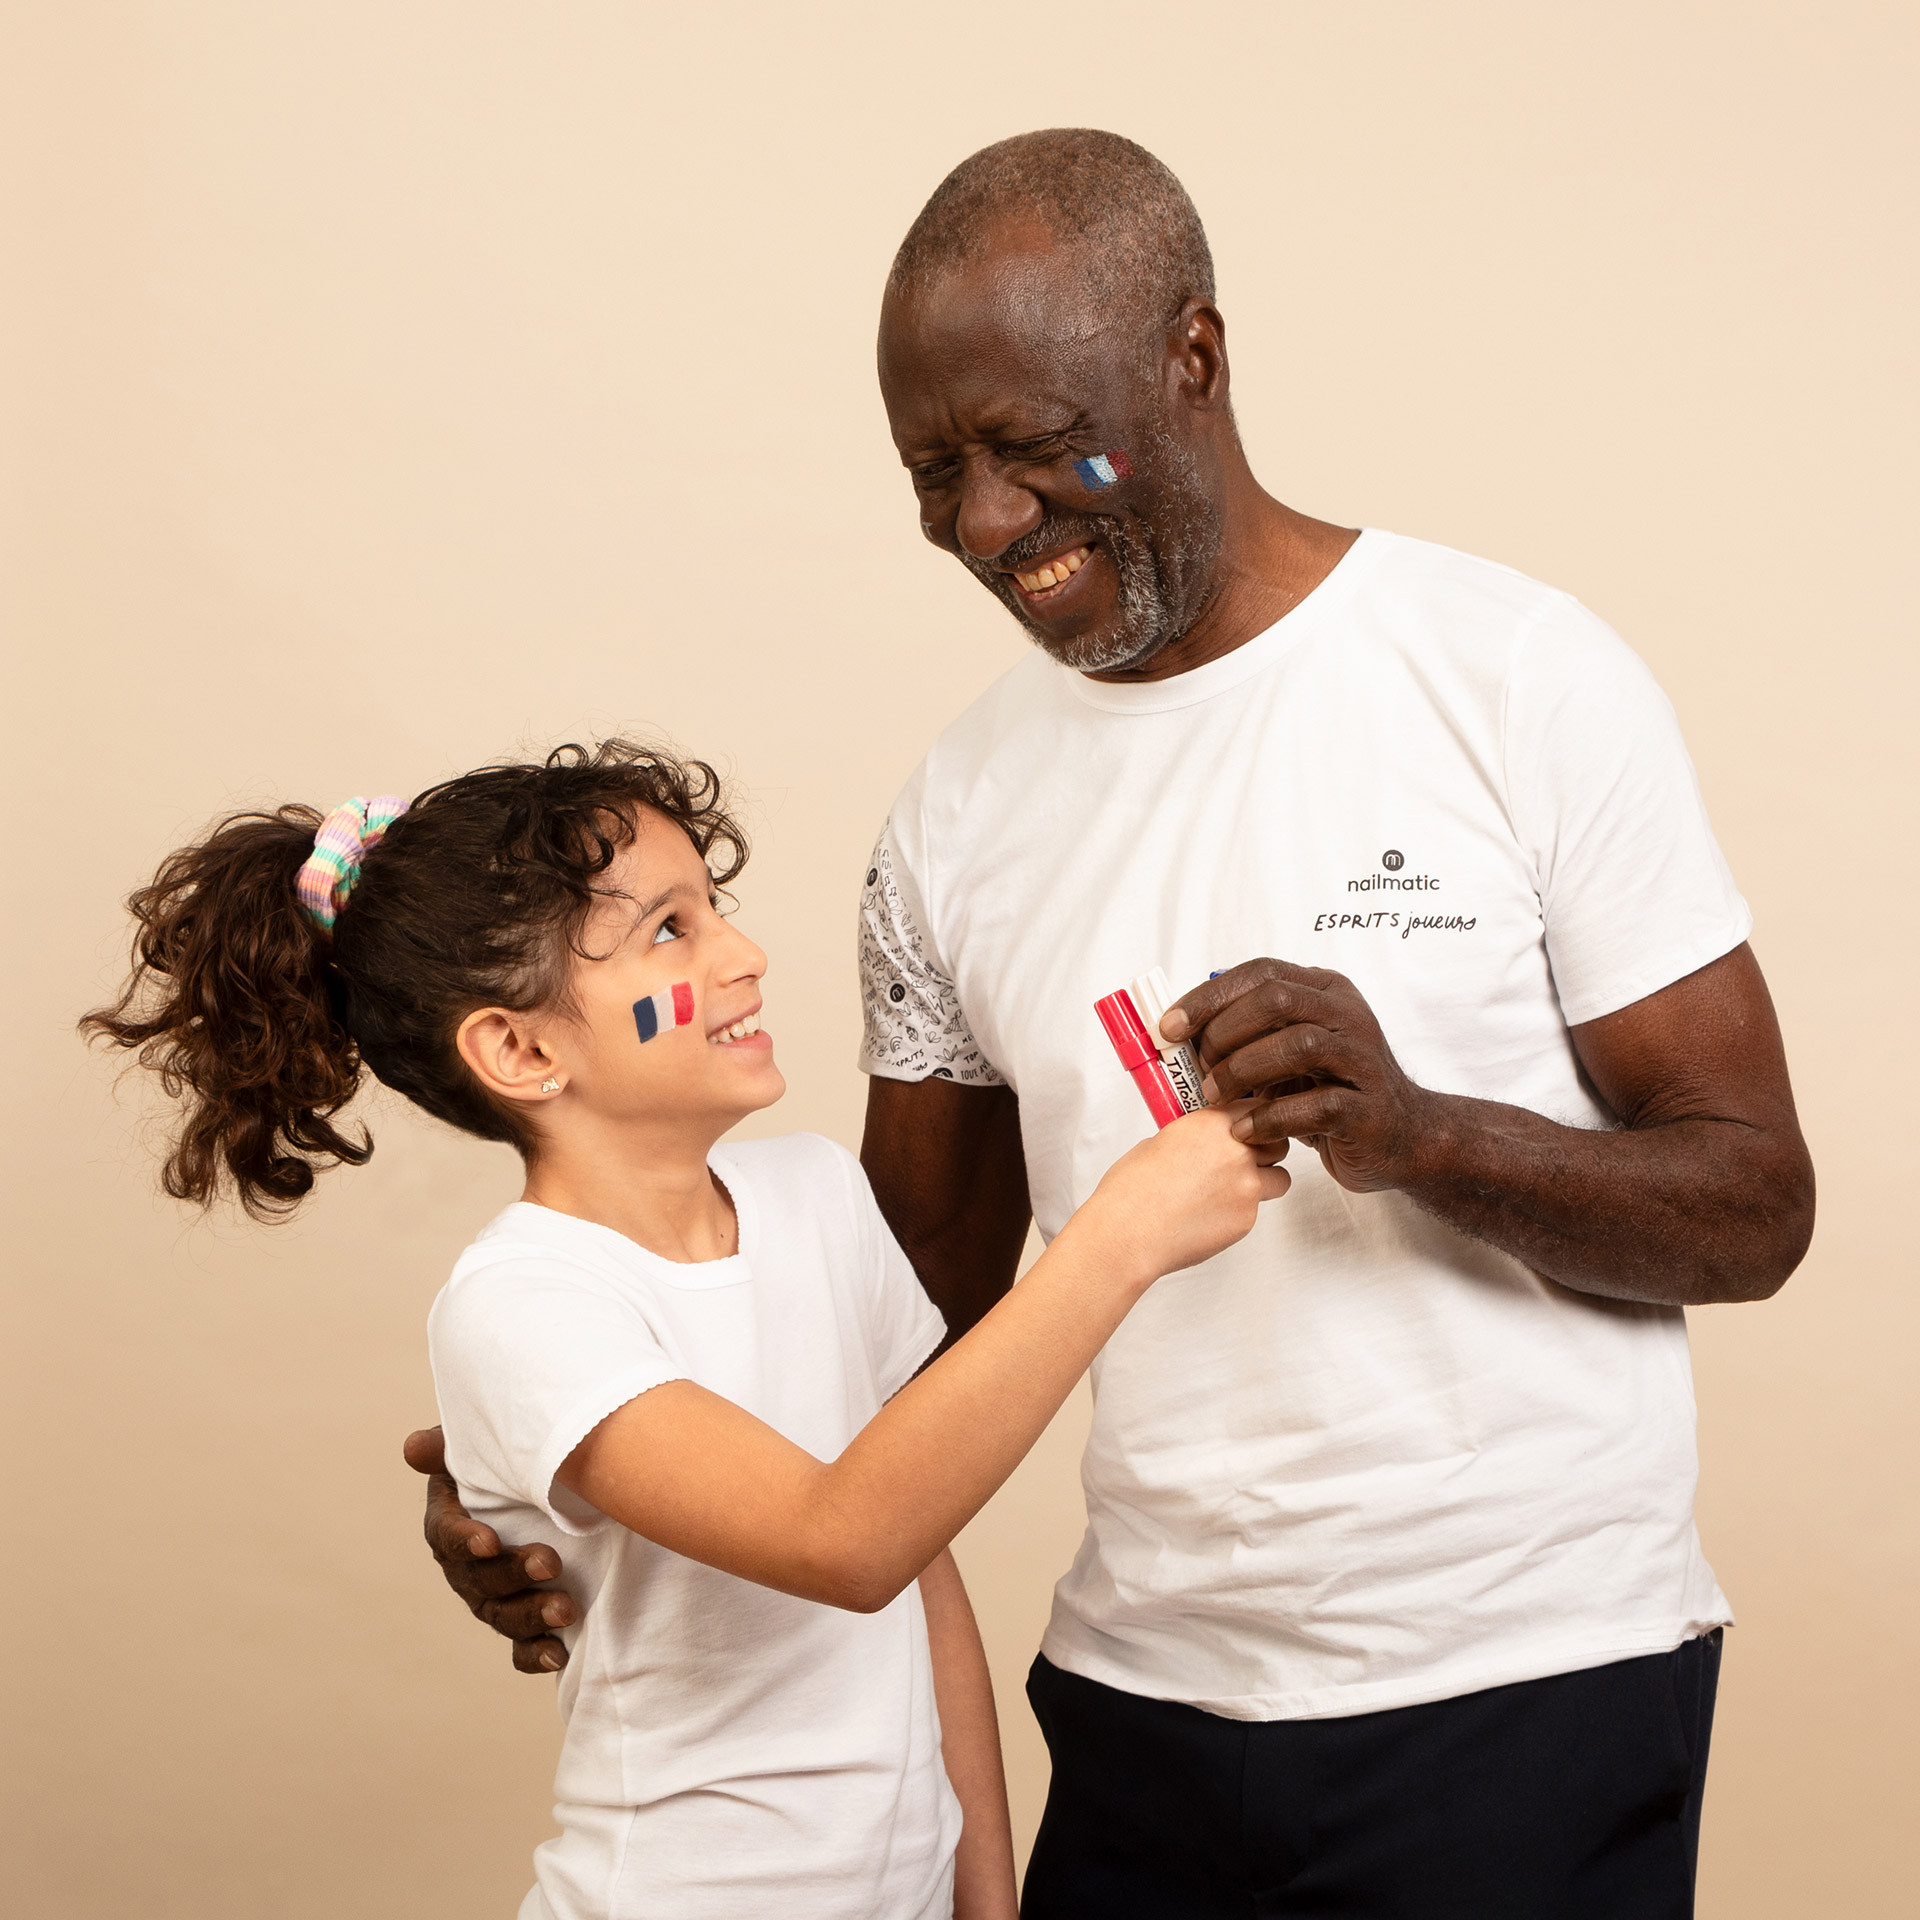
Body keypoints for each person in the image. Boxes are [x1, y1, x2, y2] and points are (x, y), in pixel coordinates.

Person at [419, 133, 1814, 1916]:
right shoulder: (950, 820)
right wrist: (551, 1475)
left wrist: (1419, 1132)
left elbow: (1755, 1207)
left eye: (1029, 445)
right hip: (1142, 1706)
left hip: (1522, 1690)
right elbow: (897, 1333)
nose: (989, 525)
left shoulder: (1517, 680)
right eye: (936, 472)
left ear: (1196, 360)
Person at [85, 739, 1286, 1920]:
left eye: (715, 910)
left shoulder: (817, 1197)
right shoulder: (523, 1305)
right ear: (519, 1048)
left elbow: (920, 1558)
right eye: (670, 931)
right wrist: (1119, 1239)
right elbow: (846, 1542)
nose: (745, 956)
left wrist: (984, 1894)